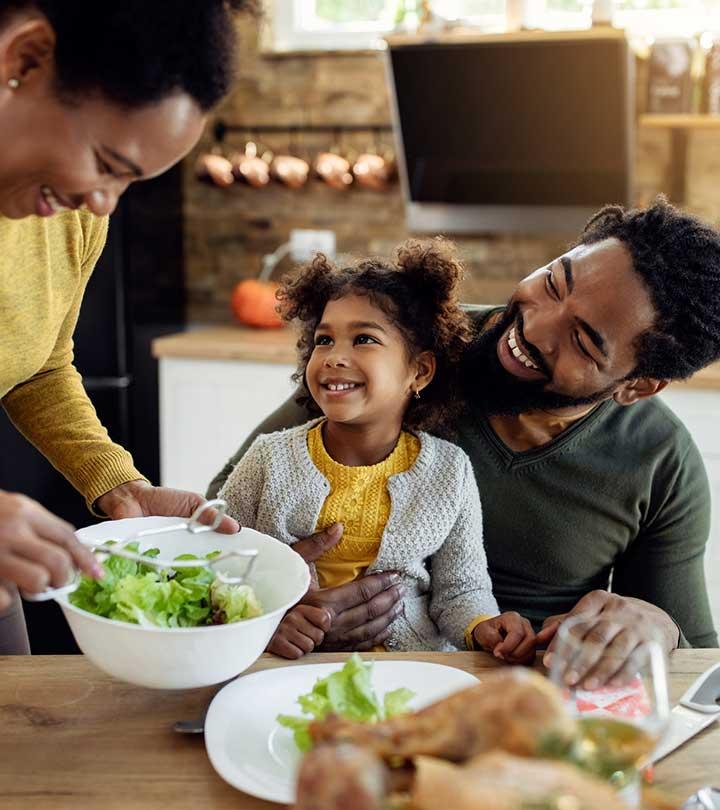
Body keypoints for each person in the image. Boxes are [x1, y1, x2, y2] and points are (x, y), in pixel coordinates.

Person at [210, 199, 720, 686]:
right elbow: (226, 507)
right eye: (554, 282)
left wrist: (658, 627)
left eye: (582, 341)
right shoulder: (403, 343)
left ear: (637, 385)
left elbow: (698, 659)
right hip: (313, 670)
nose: (535, 326)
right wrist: (274, 599)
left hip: (518, 699)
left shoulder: (660, 461)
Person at [0, 0, 254, 652]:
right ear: (24, 60)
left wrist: (118, 484)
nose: (104, 201)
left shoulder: (73, 214)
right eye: (108, 162)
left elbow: (41, 366)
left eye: (129, 182)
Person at [219, 240, 542, 660]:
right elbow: (221, 564)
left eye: (364, 339)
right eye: (324, 340)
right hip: (287, 666)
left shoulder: (450, 471)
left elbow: (462, 590)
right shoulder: (268, 459)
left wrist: (484, 628)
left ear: (419, 371)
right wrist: (266, 619)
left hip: (413, 669)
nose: (334, 357)